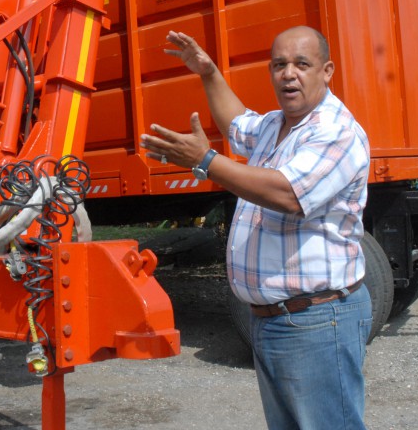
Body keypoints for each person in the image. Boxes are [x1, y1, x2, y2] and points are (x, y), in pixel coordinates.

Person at [139, 26, 372, 430]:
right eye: (279, 65)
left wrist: (205, 161)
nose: (289, 74)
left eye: (302, 64)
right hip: (273, 320)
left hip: (317, 321)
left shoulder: (336, 131)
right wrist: (208, 72)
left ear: (327, 70)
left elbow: (286, 193)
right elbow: (236, 123)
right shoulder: (274, 126)